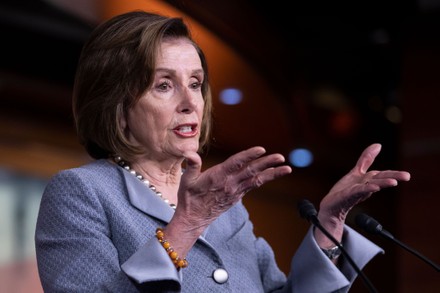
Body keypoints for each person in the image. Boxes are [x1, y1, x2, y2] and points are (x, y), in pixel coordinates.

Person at [34, 10, 411, 293]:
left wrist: (328, 227)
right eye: (164, 85)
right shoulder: (82, 193)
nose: (189, 102)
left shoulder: (226, 206)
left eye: (195, 83)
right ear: (116, 106)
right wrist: (185, 226)